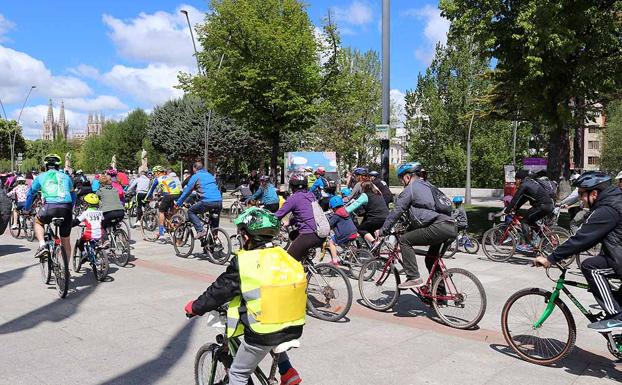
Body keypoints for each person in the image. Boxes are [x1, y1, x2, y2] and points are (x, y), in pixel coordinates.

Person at [184, 207, 305, 385]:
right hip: (295, 325)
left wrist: (195, 307)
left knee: (238, 374)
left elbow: (220, 290)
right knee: (276, 325)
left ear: (246, 236)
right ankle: (287, 371)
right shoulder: (284, 256)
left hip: (263, 332)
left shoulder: (244, 262)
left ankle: (279, 371)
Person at [535, 171, 622, 332]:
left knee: (591, 267)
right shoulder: (614, 201)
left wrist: (551, 258)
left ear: (594, 193)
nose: (580, 198)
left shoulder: (607, 210)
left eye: (582, 194)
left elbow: (583, 238)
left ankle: (616, 316)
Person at [380, 161, 457, 289]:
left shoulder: (410, 188)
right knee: (431, 259)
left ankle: (413, 277)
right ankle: (439, 293)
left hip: (438, 226)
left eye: (401, 180)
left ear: (407, 177)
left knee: (404, 241)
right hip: (451, 226)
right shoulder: (429, 186)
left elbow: (397, 211)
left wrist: (383, 230)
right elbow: (425, 213)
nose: (401, 183)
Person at [24, 154, 74, 258]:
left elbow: (31, 194)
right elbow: (73, 194)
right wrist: (70, 208)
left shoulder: (40, 177)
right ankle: (66, 271)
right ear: (58, 166)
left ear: (46, 166)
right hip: (66, 208)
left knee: (38, 222)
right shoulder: (66, 177)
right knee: (66, 240)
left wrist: (27, 209)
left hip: (49, 207)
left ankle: (42, 245)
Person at [499, 169, 555, 252]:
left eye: (516, 180)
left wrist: (506, 211)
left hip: (542, 206)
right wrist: (515, 209)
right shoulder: (530, 183)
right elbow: (523, 199)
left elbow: (515, 199)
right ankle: (543, 240)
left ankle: (528, 244)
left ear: (519, 179)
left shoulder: (524, 185)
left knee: (524, 221)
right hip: (548, 206)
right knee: (531, 222)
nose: (515, 182)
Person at [275, 174, 325, 262]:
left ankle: (299, 264)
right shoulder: (311, 195)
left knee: (288, 261)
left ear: (292, 186)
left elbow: (277, 215)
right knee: (293, 235)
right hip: (321, 232)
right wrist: (290, 222)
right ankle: (305, 260)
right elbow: (303, 214)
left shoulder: (293, 198)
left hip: (309, 234)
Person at [176, 162, 222, 238]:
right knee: (214, 225)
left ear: (194, 168)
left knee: (191, 211)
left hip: (207, 202)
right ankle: (215, 240)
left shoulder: (195, 176)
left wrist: (178, 203)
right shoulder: (210, 175)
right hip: (219, 201)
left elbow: (187, 191)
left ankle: (200, 230)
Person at [345, 181, 389, 246]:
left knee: (361, 229)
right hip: (386, 217)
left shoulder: (365, 195)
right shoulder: (378, 193)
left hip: (376, 218)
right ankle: (374, 250)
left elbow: (353, 206)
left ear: (364, 188)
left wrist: (342, 211)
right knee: (369, 228)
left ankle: (374, 243)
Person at [145, 165, 182, 238]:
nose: (154, 175)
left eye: (155, 173)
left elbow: (151, 190)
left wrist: (146, 198)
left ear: (158, 173)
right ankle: (174, 224)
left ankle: (161, 230)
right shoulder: (169, 176)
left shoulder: (158, 179)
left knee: (161, 211)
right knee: (170, 211)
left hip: (169, 195)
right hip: (178, 194)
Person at [71, 193, 104, 271]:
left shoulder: (86, 212)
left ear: (88, 204)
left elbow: (77, 221)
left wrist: (69, 225)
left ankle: (84, 254)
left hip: (90, 233)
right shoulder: (100, 212)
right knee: (95, 241)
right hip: (100, 233)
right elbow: (101, 220)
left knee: (80, 242)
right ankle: (95, 254)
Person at [327, 196, 358, 265]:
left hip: (345, 234)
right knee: (345, 244)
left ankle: (334, 261)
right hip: (354, 232)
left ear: (333, 207)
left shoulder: (337, 215)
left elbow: (330, 224)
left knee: (331, 242)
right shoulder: (345, 211)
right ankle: (348, 256)